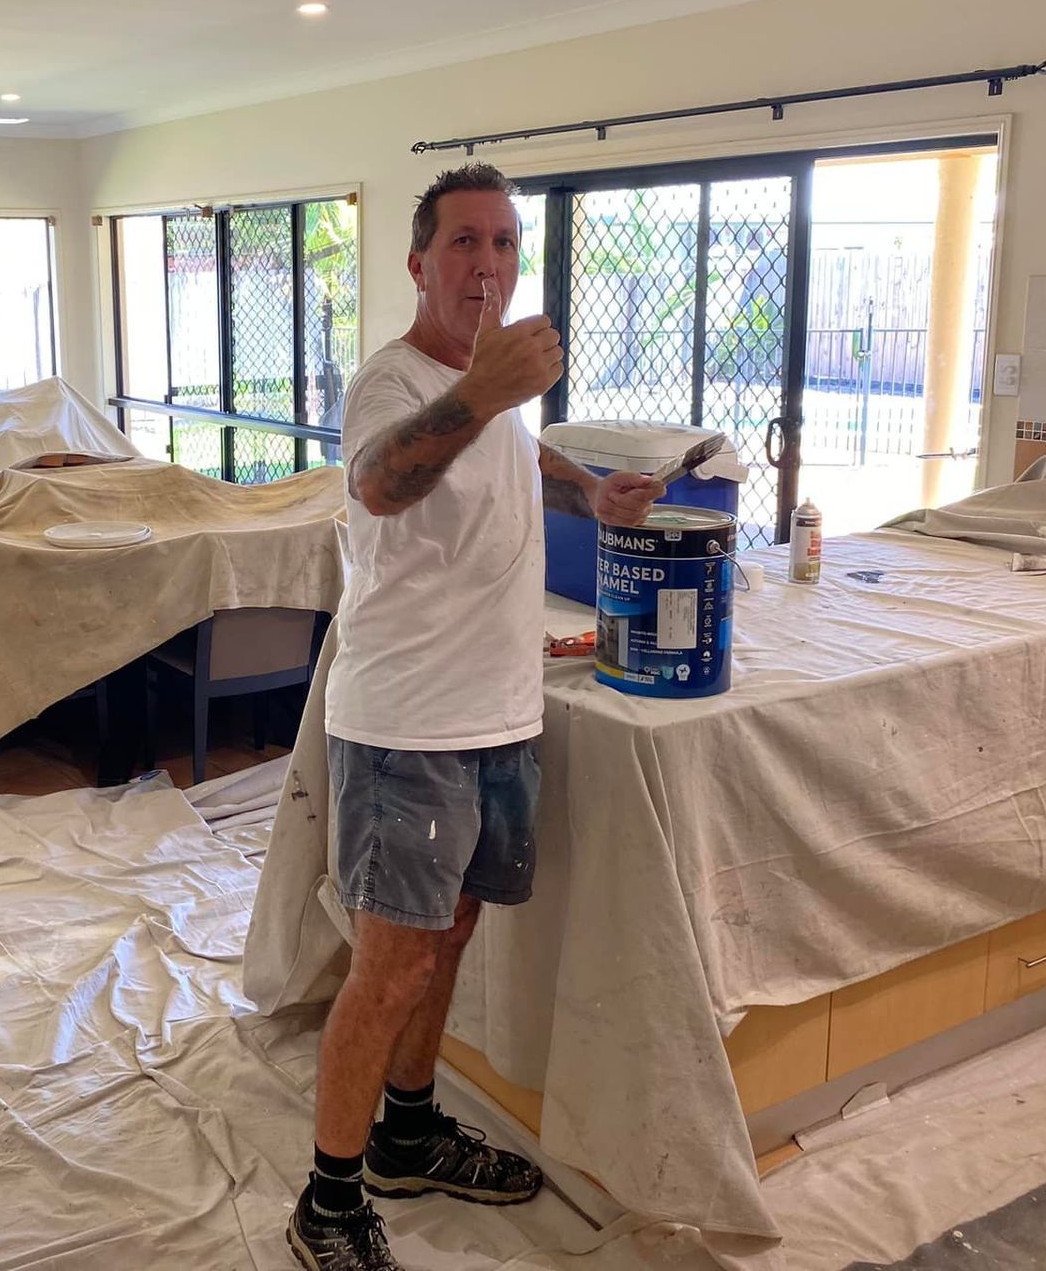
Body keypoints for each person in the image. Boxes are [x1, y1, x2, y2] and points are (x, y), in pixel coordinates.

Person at [287, 163, 661, 1270]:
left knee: (448, 937)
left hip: (498, 715)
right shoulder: (393, 381)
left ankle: (407, 1136)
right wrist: (486, 392)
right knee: (389, 967)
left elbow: (511, 447)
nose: (487, 263)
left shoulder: (489, 387)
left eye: (503, 242)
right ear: (419, 264)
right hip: (407, 728)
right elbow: (381, 481)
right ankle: (328, 1203)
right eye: (464, 242)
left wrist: (589, 490)